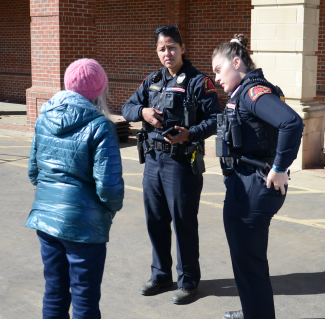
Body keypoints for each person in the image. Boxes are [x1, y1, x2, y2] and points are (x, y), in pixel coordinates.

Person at [122, 26, 221, 304]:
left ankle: (188, 281)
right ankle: (161, 275)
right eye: (162, 48)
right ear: (157, 52)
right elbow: (127, 108)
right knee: (156, 221)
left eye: (172, 47)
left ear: (182, 47)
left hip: (181, 163)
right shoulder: (152, 80)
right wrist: (142, 111)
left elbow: (216, 118)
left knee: (183, 223)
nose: (168, 53)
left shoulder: (198, 82)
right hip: (153, 161)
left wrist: (191, 133)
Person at [212, 34, 304, 319]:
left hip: (254, 186)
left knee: (249, 260)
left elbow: (292, 122)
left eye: (218, 69)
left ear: (236, 62)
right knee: (245, 259)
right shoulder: (244, 92)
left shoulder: (253, 93)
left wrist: (279, 168)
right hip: (246, 184)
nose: (215, 78)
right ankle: (253, 310)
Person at [26, 59, 124, 319]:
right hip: (84, 226)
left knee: (54, 293)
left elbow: (33, 172)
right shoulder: (101, 126)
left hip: (46, 220)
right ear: (100, 89)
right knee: (85, 300)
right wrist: (110, 211)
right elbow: (109, 188)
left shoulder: (44, 116)